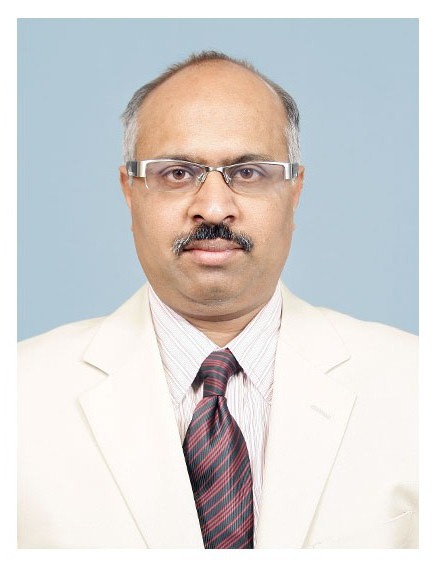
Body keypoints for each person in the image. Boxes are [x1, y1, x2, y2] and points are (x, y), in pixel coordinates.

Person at [18, 51, 418, 549]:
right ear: (130, 191)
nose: (212, 207)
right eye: (177, 173)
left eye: (248, 173)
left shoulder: (417, 385)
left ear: (294, 191)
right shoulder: (19, 396)